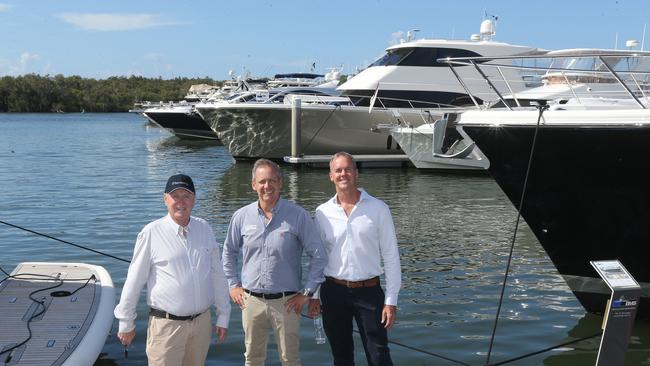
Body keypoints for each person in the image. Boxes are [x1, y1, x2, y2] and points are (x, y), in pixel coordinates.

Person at [114, 174, 231, 366]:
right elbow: (134, 280)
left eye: (186, 196)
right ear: (165, 199)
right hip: (166, 327)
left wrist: (224, 315)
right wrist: (126, 322)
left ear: (194, 199)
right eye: (175, 196)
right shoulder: (151, 233)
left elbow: (217, 275)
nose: (181, 202)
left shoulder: (205, 228)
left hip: (201, 324)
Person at [222, 158, 327, 366]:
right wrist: (233, 285)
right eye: (261, 182)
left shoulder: (298, 216)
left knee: (290, 360)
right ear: (253, 185)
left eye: (272, 181)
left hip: (287, 303)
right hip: (251, 301)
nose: (267, 186)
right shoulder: (241, 216)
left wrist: (307, 293)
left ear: (280, 183)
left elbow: (319, 255)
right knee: (252, 359)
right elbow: (228, 252)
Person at [314, 152, 402, 366]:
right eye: (338, 170)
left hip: (369, 293)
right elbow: (318, 257)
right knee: (341, 356)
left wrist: (391, 301)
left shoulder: (379, 209)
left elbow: (391, 256)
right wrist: (314, 295)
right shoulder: (322, 212)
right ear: (331, 176)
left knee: (379, 355)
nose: (343, 174)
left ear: (356, 173)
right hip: (333, 292)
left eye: (348, 169)